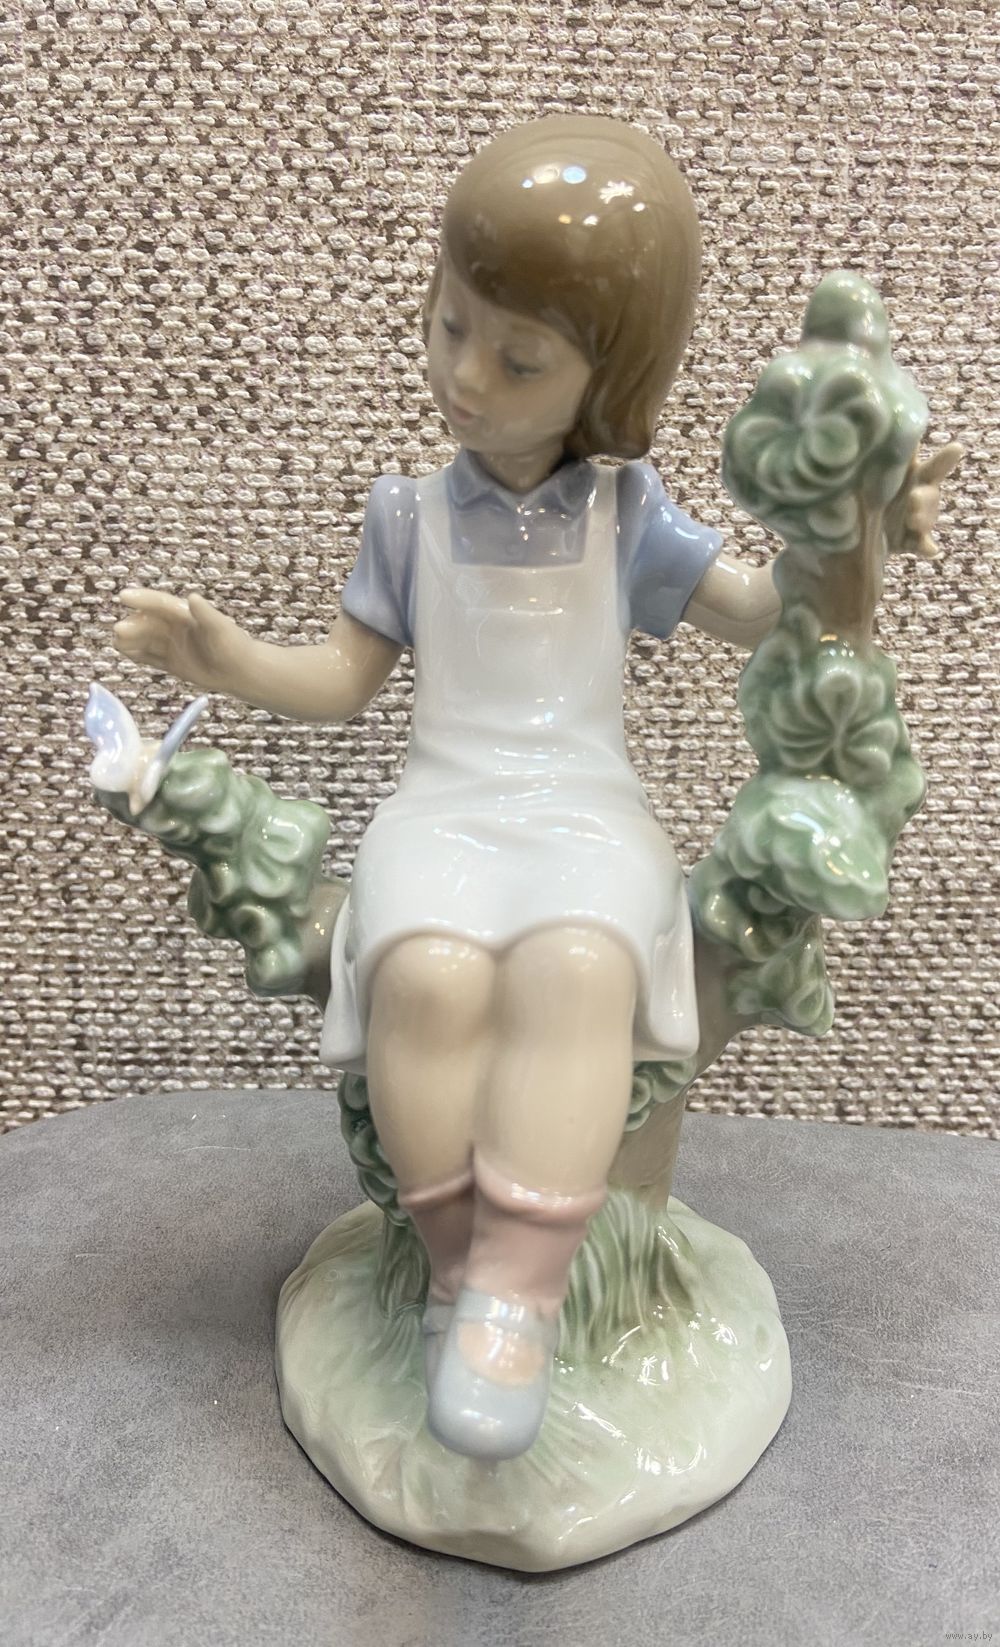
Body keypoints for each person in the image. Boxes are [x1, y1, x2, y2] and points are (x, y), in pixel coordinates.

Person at [113, 115, 943, 1461]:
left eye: (518, 358)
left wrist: (853, 527)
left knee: (577, 965)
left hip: (580, 803)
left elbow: (758, 612)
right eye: (452, 326)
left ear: (607, 382)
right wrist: (231, 662)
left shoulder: (627, 514)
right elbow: (345, 680)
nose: (465, 375)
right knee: (425, 971)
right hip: (447, 801)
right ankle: (455, 1267)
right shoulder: (407, 516)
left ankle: (520, 1291)